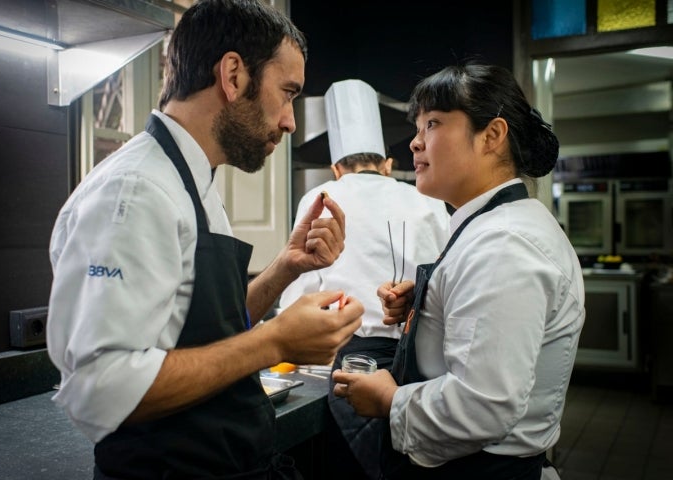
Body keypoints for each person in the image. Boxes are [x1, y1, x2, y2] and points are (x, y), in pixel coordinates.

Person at [46, 1, 364, 478]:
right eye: (287, 93)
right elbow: (102, 389)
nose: (290, 121)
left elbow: (202, 327)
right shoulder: (135, 192)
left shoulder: (193, 179)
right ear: (233, 75)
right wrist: (275, 342)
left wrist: (285, 268)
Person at [332, 63, 585, 480]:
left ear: (492, 135)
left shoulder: (504, 245)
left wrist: (390, 402)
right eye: (417, 127)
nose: (415, 142)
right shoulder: (489, 226)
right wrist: (430, 303)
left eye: (432, 123)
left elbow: (482, 406)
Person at [279, 78, 450, 479]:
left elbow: (297, 298)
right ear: (388, 166)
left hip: (352, 357)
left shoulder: (321, 197)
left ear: (336, 169)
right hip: (420, 360)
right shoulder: (426, 198)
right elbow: (445, 275)